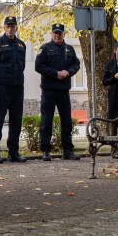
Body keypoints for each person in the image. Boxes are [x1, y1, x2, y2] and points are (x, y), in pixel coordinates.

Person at [0, 16, 27, 164]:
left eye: (13, 26)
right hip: (1, 87)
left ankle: (13, 152)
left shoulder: (21, 45)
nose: (10, 29)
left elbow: (22, 67)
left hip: (17, 87)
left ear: (16, 28)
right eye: (8, 26)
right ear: (4, 28)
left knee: (16, 120)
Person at [35, 23, 80, 162]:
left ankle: (67, 150)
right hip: (49, 89)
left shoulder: (69, 49)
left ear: (64, 34)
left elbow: (76, 64)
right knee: (46, 121)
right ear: (51, 34)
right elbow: (38, 66)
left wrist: (68, 72)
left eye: (59, 33)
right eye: (55, 33)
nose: (57, 35)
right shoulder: (45, 48)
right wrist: (56, 73)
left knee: (66, 121)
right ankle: (46, 150)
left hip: (63, 90)